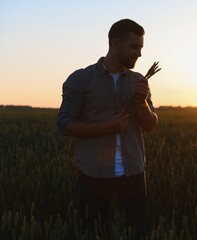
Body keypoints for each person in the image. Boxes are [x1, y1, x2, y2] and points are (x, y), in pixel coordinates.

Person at [57, 19, 158, 239]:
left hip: (133, 173)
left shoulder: (139, 80)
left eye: (141, 48)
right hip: (93, 173)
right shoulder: (81, 79)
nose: (139, 54)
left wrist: (142, 102)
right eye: (134, 47)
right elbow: (64, 124)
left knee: (137, 233)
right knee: (91, 232)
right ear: (115, 43)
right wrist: (106, 127)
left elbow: (150, 126)